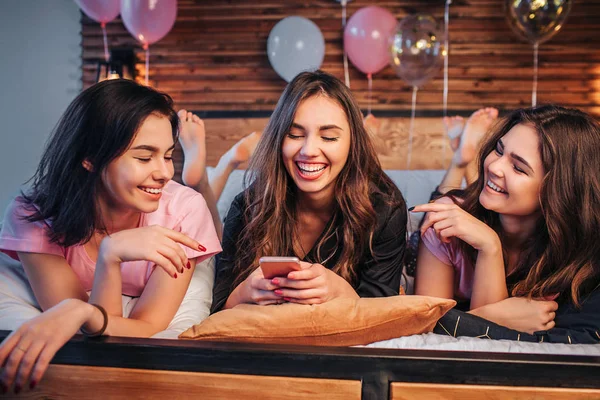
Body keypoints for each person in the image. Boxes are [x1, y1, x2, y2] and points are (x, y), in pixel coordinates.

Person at [0, 79, 221, 393]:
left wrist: (85, 306)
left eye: (169, 156)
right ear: (90, 158)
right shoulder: (31, 215)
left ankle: (204, 174)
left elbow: (143, 326)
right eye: (144, 158)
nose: (164, 173)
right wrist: (111, 254)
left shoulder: (183, 211)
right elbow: (88, 329)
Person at [211, 70, 408, 313]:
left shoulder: (384, 208)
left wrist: (340, 290)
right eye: (294, 134)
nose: (309, 150)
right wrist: (244, 292)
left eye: (328, 137)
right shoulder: (248, 206)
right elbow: (216, 310)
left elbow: (384, 314)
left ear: (352, 143)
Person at [413, 105, 600, 344]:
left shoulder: (580, 251)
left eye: (518, 168)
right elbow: (421, 334)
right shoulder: (447, 224)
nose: (493, 166)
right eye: (499, 150)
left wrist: (471, 320)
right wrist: (490, 246)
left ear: (559, 191)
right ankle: (460, 161)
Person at [404, 107, 498, 276]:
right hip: (444, 255)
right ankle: (463, 157)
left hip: (422, 256)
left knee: (437, 217)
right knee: (445, 210)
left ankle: (460, 159)